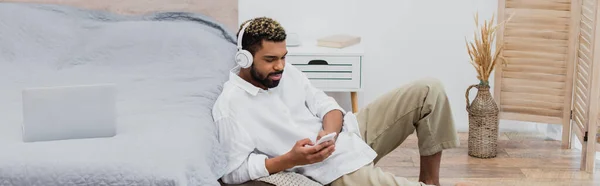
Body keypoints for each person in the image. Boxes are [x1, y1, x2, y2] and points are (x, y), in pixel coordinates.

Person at [212, 17, 460, 186]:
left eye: (283, 57)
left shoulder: (287, 73)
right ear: (244, 58)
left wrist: (328, 134)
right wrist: (291, 159)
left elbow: (326, 104)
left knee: (430, 88)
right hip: (331, 171)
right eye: (270, 59)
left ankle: (431, 179)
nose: (280, 66)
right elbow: (233, 172)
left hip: (347, 134)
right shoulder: (232, 107)